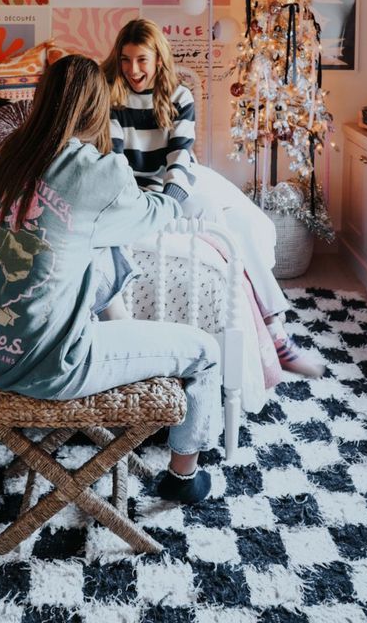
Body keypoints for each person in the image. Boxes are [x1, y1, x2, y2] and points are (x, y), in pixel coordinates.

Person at [0, 54, 222, 504]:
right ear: (96, 107)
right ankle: (184, 477)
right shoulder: (95, 170)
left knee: (104, 250)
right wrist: (180, 175)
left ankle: (120, 338)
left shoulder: (9, 155)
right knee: (206, 353)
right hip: (49, 365)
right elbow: (158, 213)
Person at [102, 19, 324, 379]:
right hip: (136, 191)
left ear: (158, 58)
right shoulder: (112, 97)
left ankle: (277, 333)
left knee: (233, 233)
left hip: (178, 184)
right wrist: (137, 205)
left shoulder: (179, 96)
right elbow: (113, 161)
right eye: (125, 60)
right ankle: (276, 340)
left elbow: (179, 158)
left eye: (142, 59)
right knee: (218, 229)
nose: (133, 69)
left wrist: (168, 204)